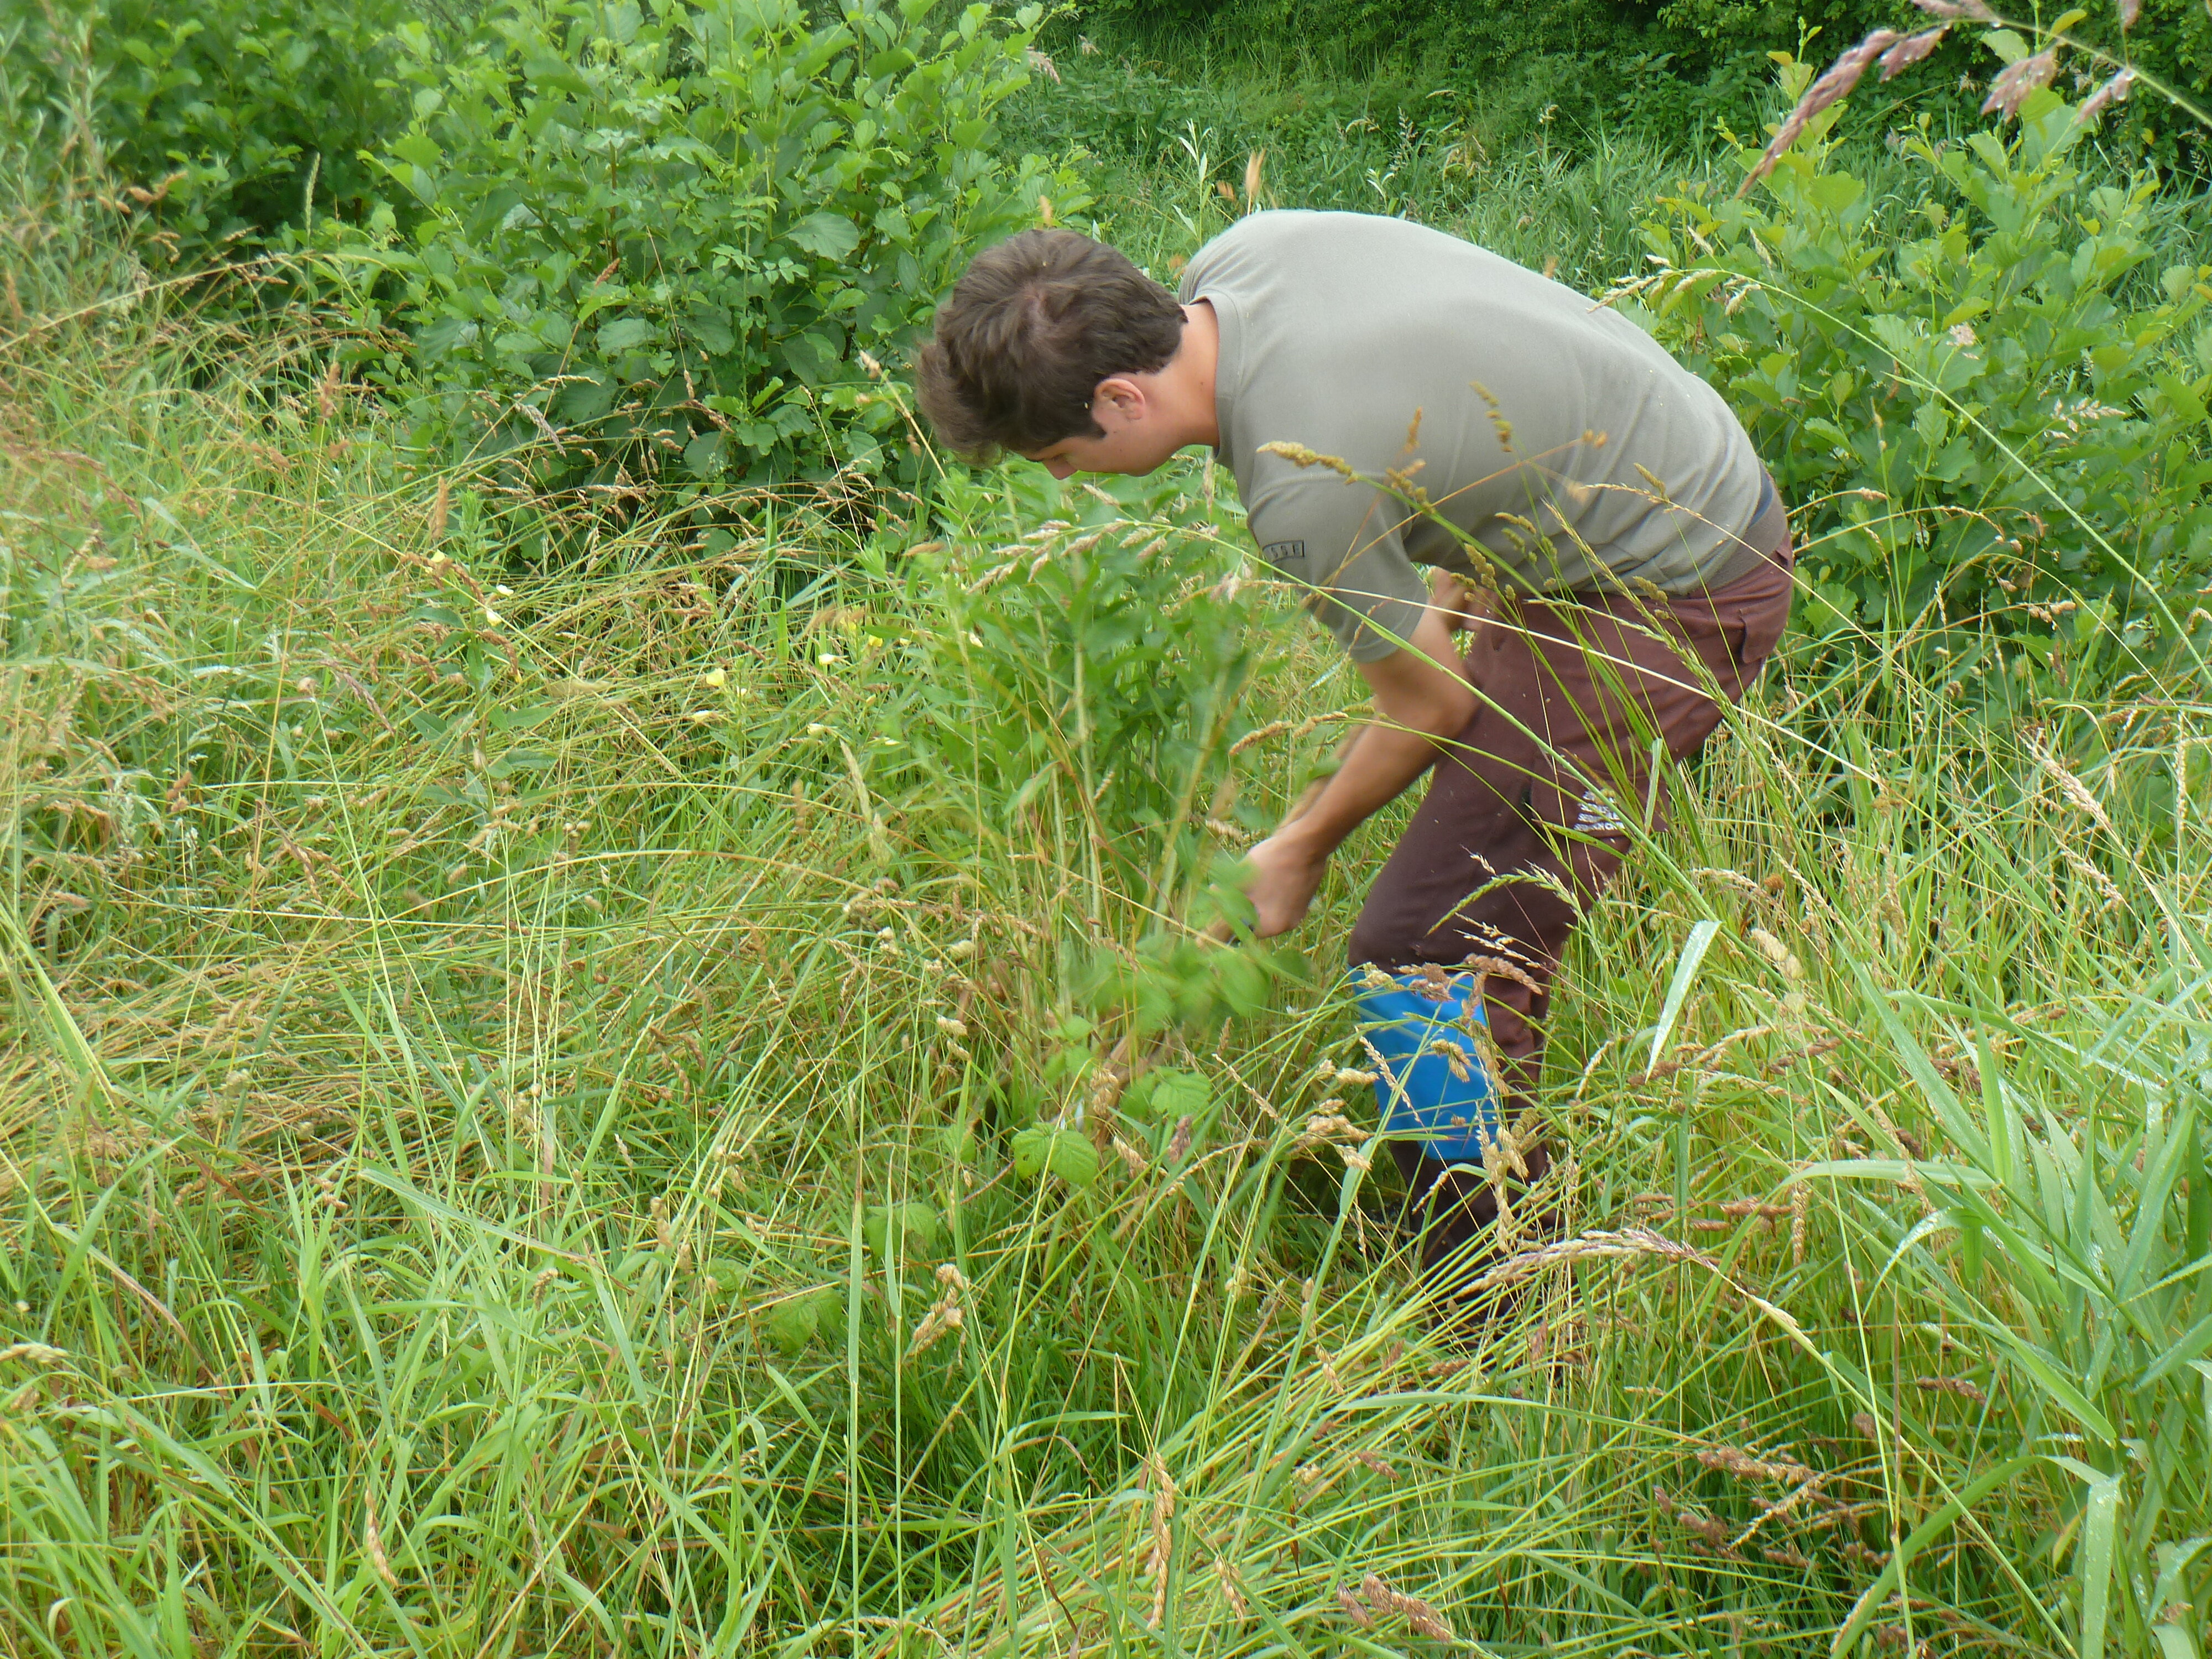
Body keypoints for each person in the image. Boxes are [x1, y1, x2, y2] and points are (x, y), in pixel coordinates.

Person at [914, 210, 1793, 1303]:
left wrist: (1298, 847)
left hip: (1677, 587)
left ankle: (1499, 1293)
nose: (1061, 482)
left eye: (1058, 456)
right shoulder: (1245, 257)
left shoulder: (1299, 489)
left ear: (1123, 399)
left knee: (1424, 952)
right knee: (1449, 900)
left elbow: (1433, 703)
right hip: (1658, 470)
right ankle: (1475, 1220)